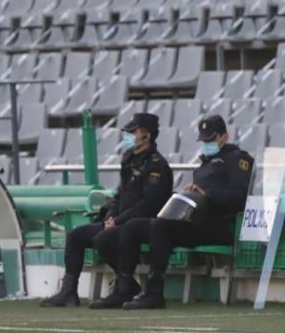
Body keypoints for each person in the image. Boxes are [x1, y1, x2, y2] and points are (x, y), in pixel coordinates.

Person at [118, 116, 254, 310]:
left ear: (224, 137)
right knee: (134, 227)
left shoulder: (237, 159)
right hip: (195, 221)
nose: (207, 144)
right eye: (204, 140)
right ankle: (123, 287)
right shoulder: (203, 165)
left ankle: (154, 291)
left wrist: (207, 194)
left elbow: (241, 197)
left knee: (160, 226)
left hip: (218, 225)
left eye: (211, 139)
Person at [42, 113, 173, 308]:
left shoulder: (157, 165)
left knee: (103, 238)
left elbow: (148, 204)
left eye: (132, 132)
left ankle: (125, 286)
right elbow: (119, 195)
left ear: (147, 137)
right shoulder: (129, 159)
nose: (127, 136)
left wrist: (117, 221)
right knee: (76, 236)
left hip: (140, 225)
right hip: (119, 221)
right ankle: (69, 291)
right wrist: (111, 215)